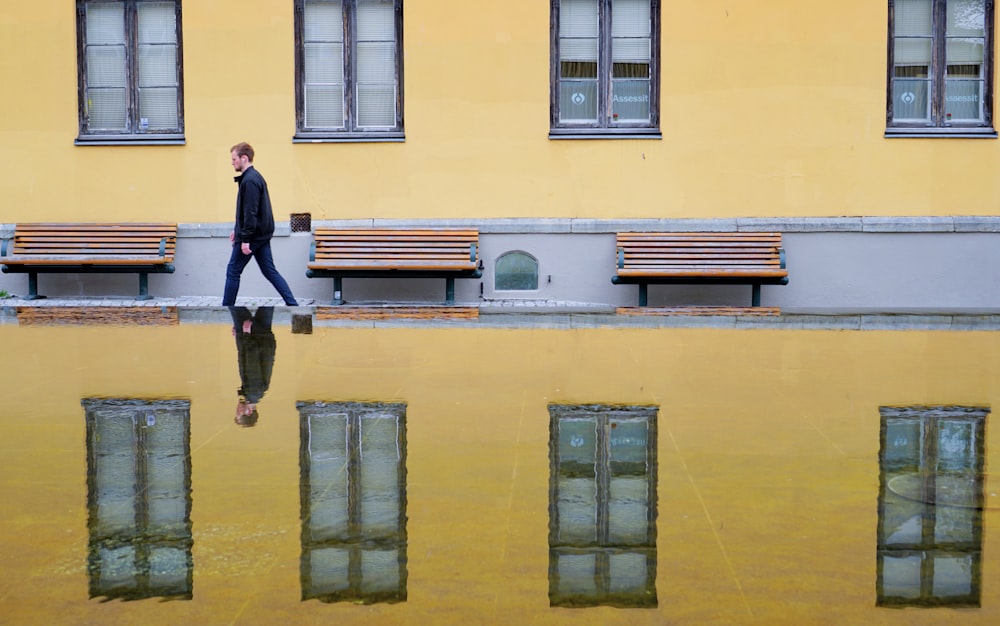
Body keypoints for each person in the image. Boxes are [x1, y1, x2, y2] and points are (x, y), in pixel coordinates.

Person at [223, 142, 298, 306]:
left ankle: (226, 311)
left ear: (244, 158)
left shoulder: (250, 181)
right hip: (260, 235)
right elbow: (247, 211)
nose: (232, 162)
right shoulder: (253, 178)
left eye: (234, 159)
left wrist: (245, 239)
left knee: (233, 271)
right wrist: (237, 229)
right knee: (270, 271)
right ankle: (293, 305)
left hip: (253, 236)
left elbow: (251, 212)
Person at [230, 306, 277, 427]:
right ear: (249, 411)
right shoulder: (253, 392)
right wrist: (245, 334)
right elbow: (252, 360)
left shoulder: (256, 393)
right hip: (255, 337)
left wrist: (239, 336)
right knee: (233, 304)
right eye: (239, 413)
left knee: (268, 304)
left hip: (262, 338)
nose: (236, 410)